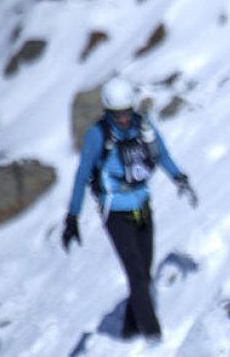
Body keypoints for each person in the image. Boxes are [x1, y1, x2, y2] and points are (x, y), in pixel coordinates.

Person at [61, 77, 197, 342]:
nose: (123, 119)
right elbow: (81, 175)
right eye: (117, 115)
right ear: (107, 112)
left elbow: (162, 156)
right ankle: (152, 333)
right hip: (115, 212)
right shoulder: (97, 135)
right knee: (135, 272)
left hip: (142, 207)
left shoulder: (144, 127)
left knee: (144, 273)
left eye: (127, 113)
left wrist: (180, 179)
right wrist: (72, 217)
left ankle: (129, 330)